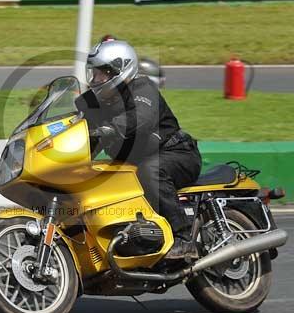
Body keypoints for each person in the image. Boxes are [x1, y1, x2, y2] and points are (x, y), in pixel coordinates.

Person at [76, 37, 202, 259]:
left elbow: (140, 118)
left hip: (176, 154)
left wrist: (109, 129)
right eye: (93, 73)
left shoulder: (142, 88)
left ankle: (183, 239)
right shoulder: (93, 102)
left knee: (150, 170)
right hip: (134, 164)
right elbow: (81, 129)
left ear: (120, 71)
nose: (95, 79)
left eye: (101, 73)